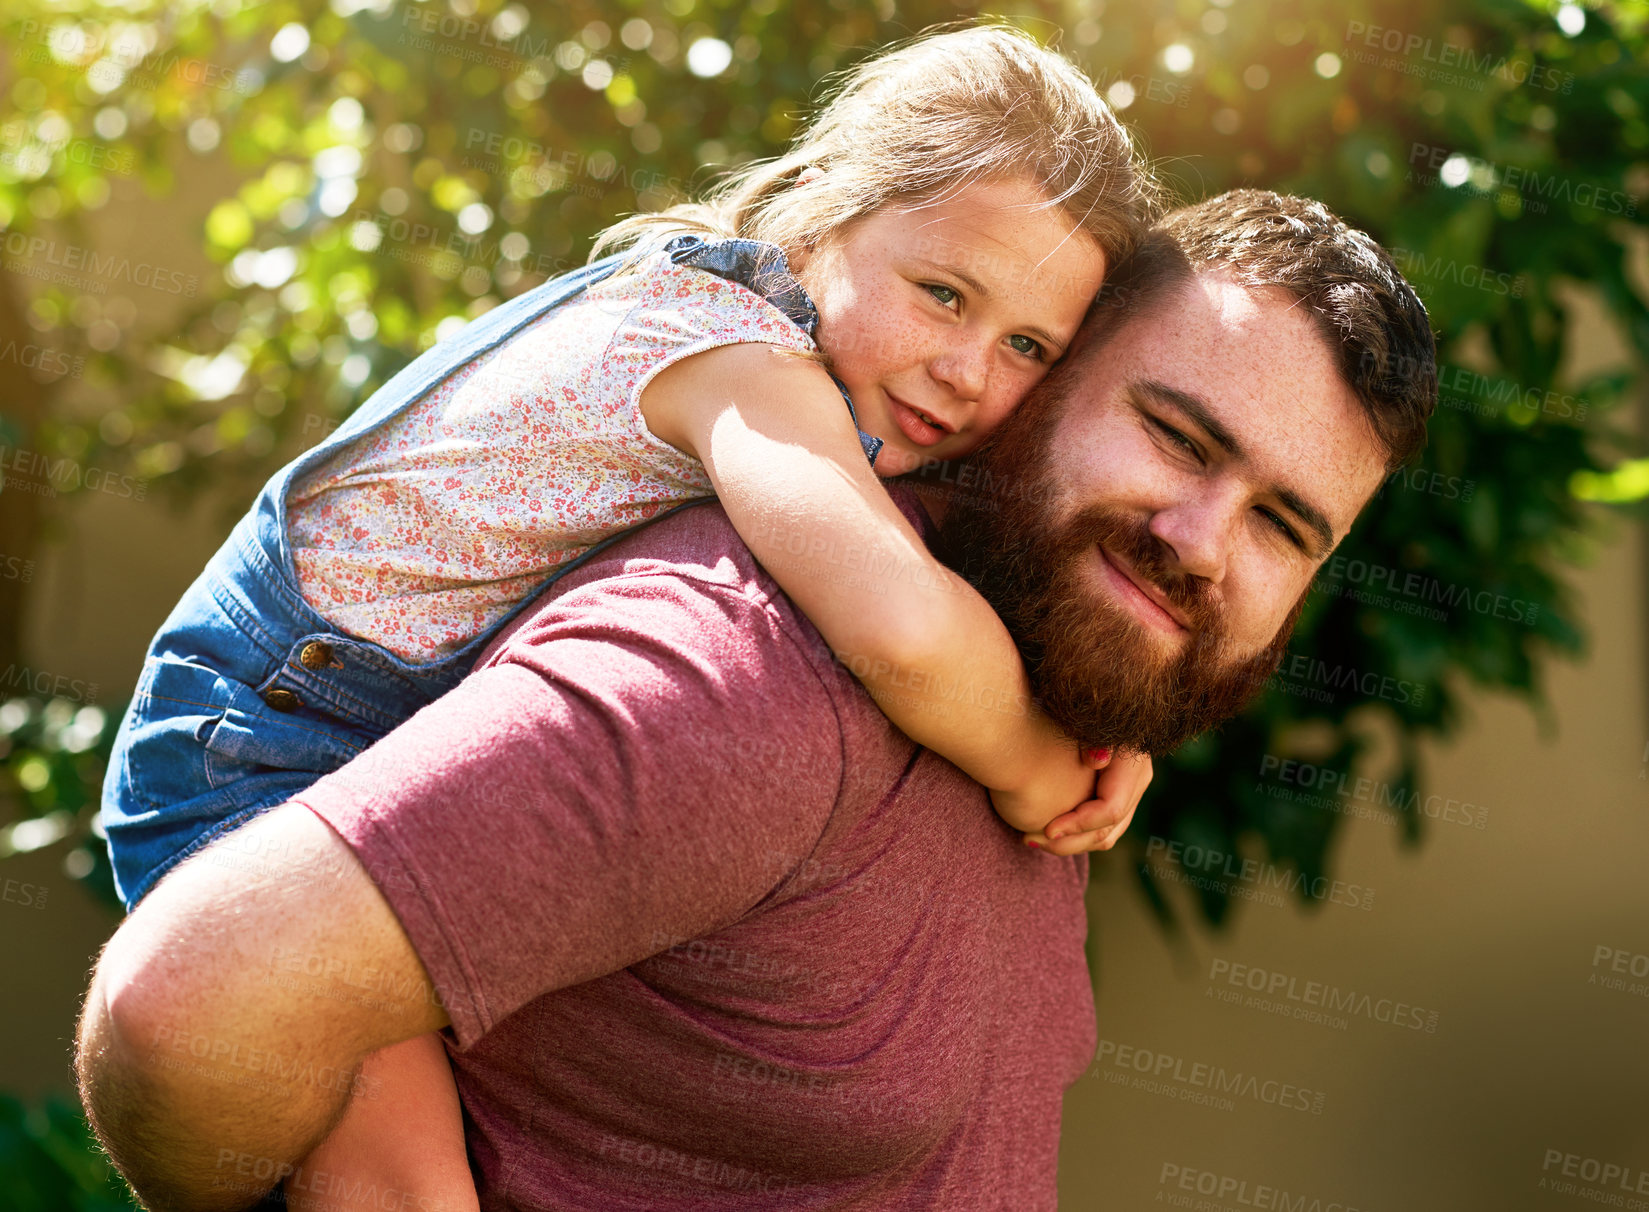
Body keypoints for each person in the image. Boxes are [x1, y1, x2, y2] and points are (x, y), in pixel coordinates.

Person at [75, 188, 1437, 1211]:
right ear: (1039, 391)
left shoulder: (1045, 684)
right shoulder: (750, 674)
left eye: (1285, 527)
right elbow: (187, 1010)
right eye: (1179, 436)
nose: (1202, 539)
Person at [96, 25, 1156, 1208]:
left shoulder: (776, 353)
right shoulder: (740, 363)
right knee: (404, 1187)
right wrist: (1035, 759)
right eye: (941, 293)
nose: (966, 369)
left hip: (352, 716)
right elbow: (897, 626)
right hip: (263, 739)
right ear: (822, 215)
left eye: (1025, 346)